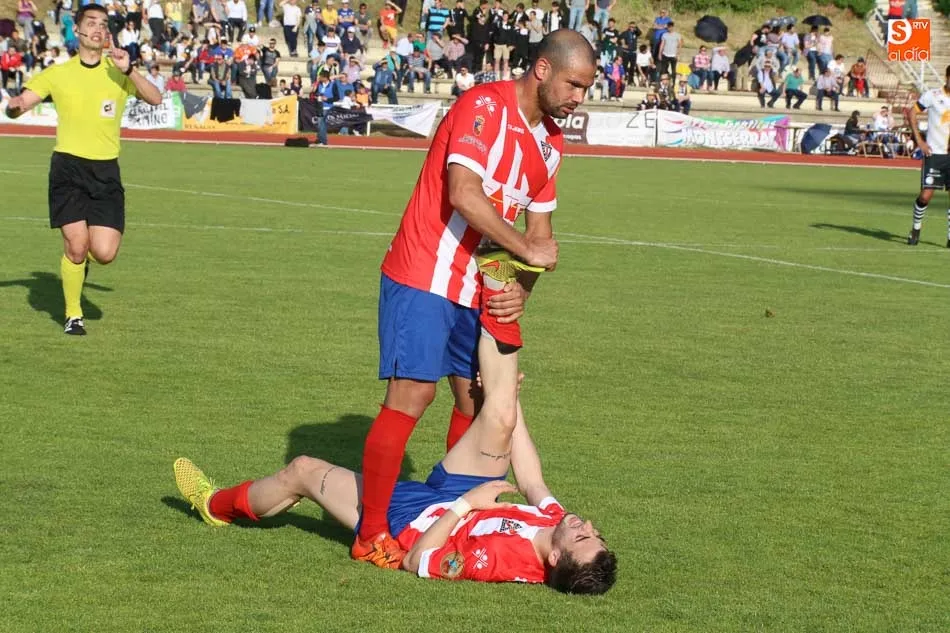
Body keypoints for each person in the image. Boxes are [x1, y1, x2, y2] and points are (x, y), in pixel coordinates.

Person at [352, 29, 595, 568]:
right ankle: (369, 534)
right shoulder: (482, 106)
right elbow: (463, 193)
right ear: (542, 70)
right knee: (412, 397)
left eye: (586, 88)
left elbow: (542, 235)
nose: (579, 97)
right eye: (574, 84)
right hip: (423, 269)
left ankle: (446, 508)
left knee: (475, 402)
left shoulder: (551, 144)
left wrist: (521, 293)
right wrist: (528, 248)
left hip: (477, 283)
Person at [172, 375, 617, 593]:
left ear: (556, 557)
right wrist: (513, 402)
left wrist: (465, 505)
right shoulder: (558, 521)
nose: (586, 524)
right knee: (498, 409)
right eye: (593, 532)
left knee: (303, 470)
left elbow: (417, 560)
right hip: (459, 490)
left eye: (582, 537)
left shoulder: (494, 561)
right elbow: (533, 479)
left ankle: (215, 505)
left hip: (415, 516)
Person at [4, 4, 162, 336]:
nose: (97, 29)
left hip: (106, 172)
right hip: (67, 168)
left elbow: (156, 98)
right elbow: (23, 103)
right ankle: (73, 314)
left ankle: (82, 265)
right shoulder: (57, 74)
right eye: (90, 23)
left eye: (103, 24)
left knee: (103, 252)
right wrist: (14, 106)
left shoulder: (117, 70)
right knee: (76, 246)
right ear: (77, 30)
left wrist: (130, 69)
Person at [907, 65, 950, 247]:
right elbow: (912, 113)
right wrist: (920, 141)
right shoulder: (933, 95)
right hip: (934, 154)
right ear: (946, 77)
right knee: (925, 196)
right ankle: (916, 228)